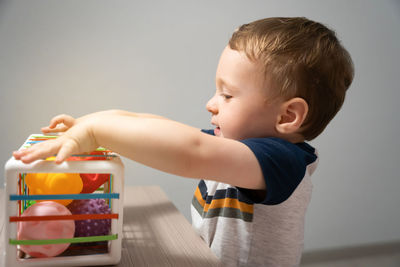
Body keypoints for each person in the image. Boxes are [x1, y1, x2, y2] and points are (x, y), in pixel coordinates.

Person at [13, 17, 354, 266]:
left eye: (227, 94)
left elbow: (190, 152)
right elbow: (165, 129)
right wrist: (97, 120)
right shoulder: (237, 151)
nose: (211, 103)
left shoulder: (282, 162)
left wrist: (97, 132)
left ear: (286, 117)